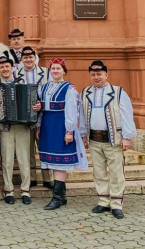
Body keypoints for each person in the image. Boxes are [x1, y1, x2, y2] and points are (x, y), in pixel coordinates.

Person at [80, 60, 136, 219]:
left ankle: (116, 203)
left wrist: (127, 137)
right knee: (99, 171)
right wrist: (83, 135)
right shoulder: (85, 93)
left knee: (116, 172)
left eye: (99, 74)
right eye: (93, 74)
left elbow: (126, 115)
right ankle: (103, 201)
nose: (96, 77)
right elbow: (82, 116)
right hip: (94, 139)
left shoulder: (118, 92)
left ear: (106, 75)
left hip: (113, 139)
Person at [34, 58, 88, 210]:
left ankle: (57, 197)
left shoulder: (69, 88)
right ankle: (62, 196)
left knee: (60, 162)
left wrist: (69, 131)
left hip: (60, 125)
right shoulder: (43, 88)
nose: (55, 71)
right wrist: (38, 125)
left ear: (64, 71)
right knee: (52, 160)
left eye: (58, 68)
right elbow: (41, 109)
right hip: (47, 126)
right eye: (53, 68)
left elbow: (71, 110)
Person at [14, 46, 53, 189]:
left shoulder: (46, 72)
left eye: (31, 57)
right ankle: (31, 177)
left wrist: (42, 105)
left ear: (35, 58)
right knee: (27, 147)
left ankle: (48, 178)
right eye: (25, 57)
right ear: (21, 59)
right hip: (25, 116)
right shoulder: (16, 73)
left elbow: (50, 91)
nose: (28, 60)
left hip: (43, 114)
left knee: (44, 146)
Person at [0, 56, 31, 205]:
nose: (4, 69)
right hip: (6, 127)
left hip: (22, 126)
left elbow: (31, 100)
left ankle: (25, 191)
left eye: (7, 67)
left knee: (24, 159)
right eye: (1, 67)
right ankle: (8, 190)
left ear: (12, 68)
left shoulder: (22, 83)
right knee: (7, 160)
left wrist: (34, 108)